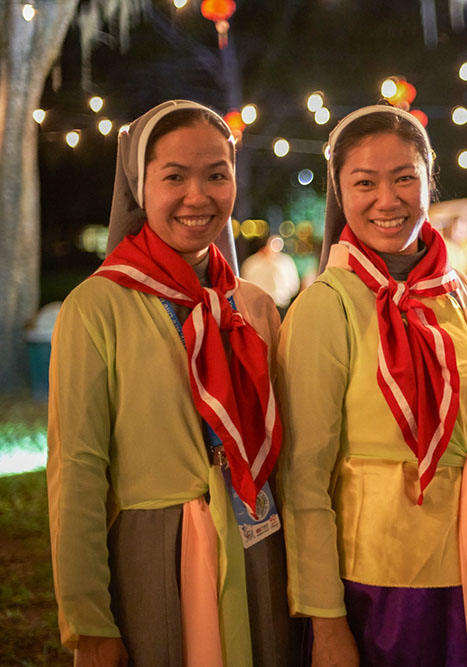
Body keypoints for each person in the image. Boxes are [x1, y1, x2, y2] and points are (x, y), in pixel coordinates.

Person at [47, 100, 300, 666]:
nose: (198, 196)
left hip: (260, 545)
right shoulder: (97, 308)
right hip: (154, 557)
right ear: (140, 186)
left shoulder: (253, 307)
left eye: (217, 174)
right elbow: (78, 471)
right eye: (175, 177)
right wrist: (90, 622)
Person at [277, 104, 467, 667]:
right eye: (365, 182)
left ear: (429, 180)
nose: (388, 199)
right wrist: (326, 619)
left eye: (405, 177)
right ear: (340, 192)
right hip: (377, 584)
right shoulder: (324, 307)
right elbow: (303, 478)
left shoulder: (458, 291)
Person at [241, 235, 302, 312]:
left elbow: (293, 286)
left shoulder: (286, 262)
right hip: (258, 307)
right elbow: (246, 285)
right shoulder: (252, 263)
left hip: (280, 305)